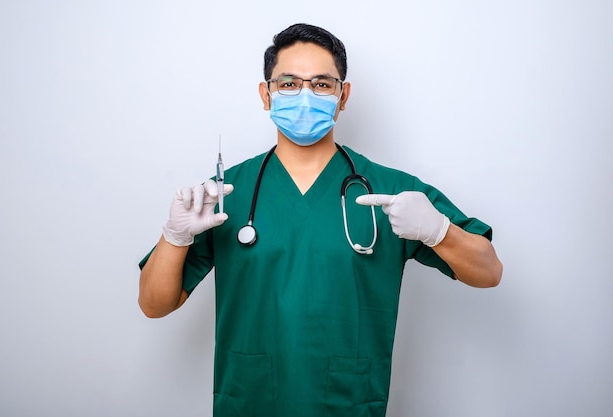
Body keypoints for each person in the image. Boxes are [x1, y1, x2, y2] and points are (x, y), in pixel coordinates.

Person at [139, 23, 502, 417]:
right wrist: (174, 237)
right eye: (289, 84)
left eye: (323, 85)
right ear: (266, 94)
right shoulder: (224, 194)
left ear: (343, 96)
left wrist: (439, 231)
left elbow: (488, 271)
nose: (306, 96)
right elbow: (154, 305)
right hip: (252, 399)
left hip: (345, 402)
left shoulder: (391, 191)